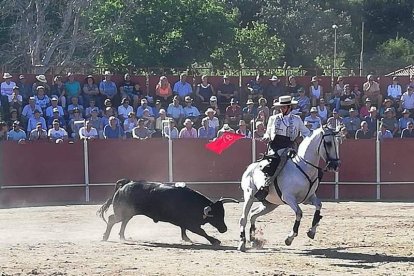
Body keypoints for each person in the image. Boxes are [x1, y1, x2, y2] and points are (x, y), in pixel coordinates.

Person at [256, 95, 311, 200]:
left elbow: (306, 133)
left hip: (290, 146)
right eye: (281, 107)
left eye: (284, 107)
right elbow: (268, 132)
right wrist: (266, 137)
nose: (282, 109)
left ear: (290, 107)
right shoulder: (273, 119)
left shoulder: (297, 119)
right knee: (278, 161)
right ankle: (266, 185)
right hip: (275, 146)